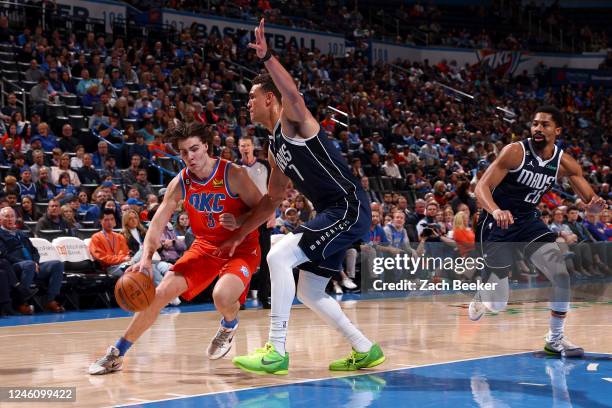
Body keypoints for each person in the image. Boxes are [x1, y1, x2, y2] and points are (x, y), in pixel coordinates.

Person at [221, 19, 384, 375]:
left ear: (268, 99)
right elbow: (272, 200)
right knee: (310, 291)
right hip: (334, 213)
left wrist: (267, 57)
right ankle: (364, 348)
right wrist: (239, 233)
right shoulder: (273, 148)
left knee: (279, 255)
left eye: (252, 98)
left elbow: (293, 95)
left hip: (348, 207)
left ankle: (275, 351)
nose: (247, 104)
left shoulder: (294, 122)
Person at [89, 121, 263, 375]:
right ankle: (117, 352)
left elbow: (263, 211)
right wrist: (147, 258)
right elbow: (159, 219)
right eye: (183, 152)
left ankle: (229, 324)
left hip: (241, 246)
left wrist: (239, 222)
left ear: (206, 146)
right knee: (159, 294)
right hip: (205, 246)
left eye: (194, 149)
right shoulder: (181, 181)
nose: (189, 157)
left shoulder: (233, 174)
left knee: (222, 297)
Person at [468, 105, 606, 357]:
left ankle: (555, 338)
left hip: (528, 221)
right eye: (535, 124)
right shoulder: (514, 152)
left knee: (561, 276)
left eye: (544, 124)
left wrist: (594, 204)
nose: (537, 129)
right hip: (497, 222)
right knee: (498, 305)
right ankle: (485, 288)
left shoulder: (564, 162)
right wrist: (496, 210)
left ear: (557, 130)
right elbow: (481, 188)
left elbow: (588, 197)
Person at [0, 207, 66, 313]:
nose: (10, 219)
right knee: (29, 265)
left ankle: (50, 300)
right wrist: (26, 262)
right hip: (15, 267)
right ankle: (21, 303)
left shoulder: (21, 233)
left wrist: (35, 262)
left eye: (12, 216)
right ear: (0, 219)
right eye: (6, 216)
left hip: (32, 265)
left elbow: (34, 251)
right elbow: (4, 255)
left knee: (57, 264)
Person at [237, 134, 273, 308]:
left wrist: (272, 213)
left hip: (264, 218)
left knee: (266, 259)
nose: (245, 148)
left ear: (253, 147)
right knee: (243, 260)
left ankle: (264, 297)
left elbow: (272, 191)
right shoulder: (235, 168)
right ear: (238, 148)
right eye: (242, 145)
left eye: (247, 145)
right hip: (244, 219)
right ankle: (241, 297)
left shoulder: (264, 165)